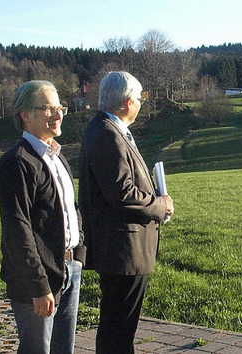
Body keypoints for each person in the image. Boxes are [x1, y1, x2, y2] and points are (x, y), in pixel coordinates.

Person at [78, 71, 174, 353]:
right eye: (140, 98)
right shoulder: (109, 134)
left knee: (119, 326)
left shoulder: (104, 128)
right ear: (127, 102)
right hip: (123, 249)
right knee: (119, 328)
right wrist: (160, 205)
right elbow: (123, 193)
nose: (142, 103)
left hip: (121, 247)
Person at [0, 80, 85, 354]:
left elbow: (71, 209)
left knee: (62, 350)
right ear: (25, 115)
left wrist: (79, 255)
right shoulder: (16, 163)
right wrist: (38, 286)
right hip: (37, 279)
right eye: (47, 109)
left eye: (59, 108)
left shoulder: (57, 157)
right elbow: (17, 230)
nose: (57, 115)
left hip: (70, 270)